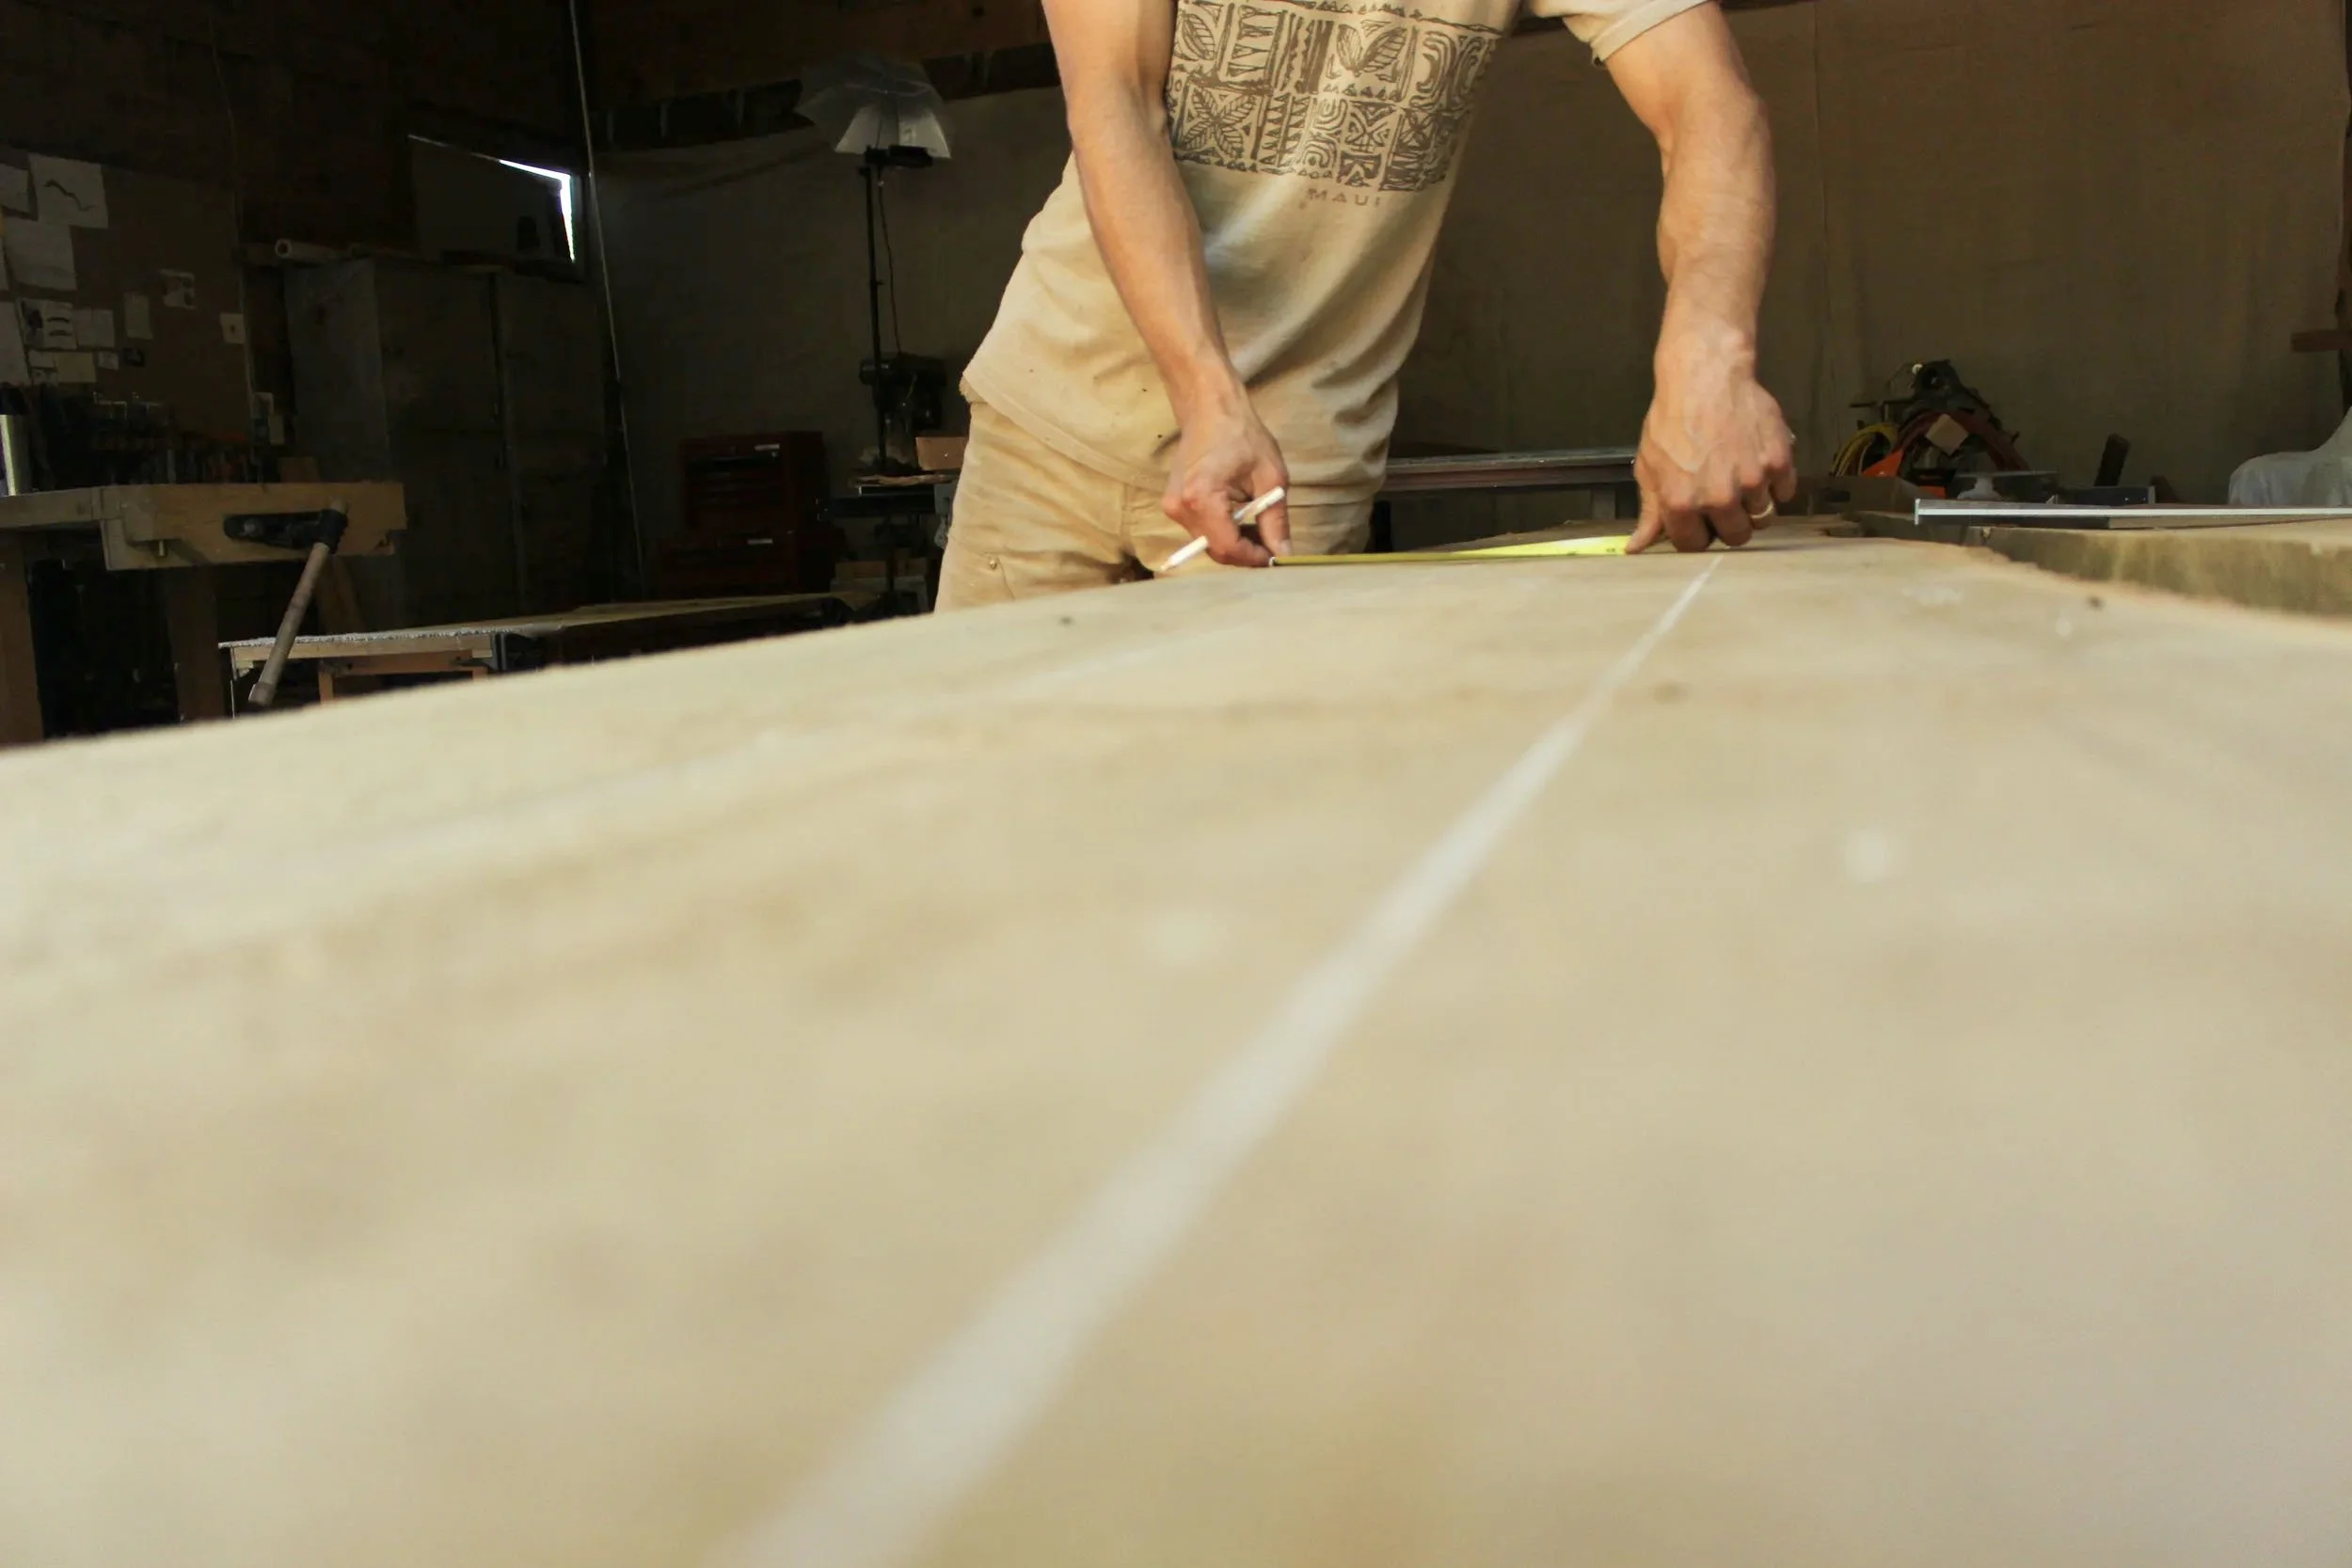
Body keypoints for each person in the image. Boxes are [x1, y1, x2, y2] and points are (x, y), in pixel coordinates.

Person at [938, 0, 1794, 610]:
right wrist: (1207, 394)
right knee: (969, 792)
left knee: (1247, 819)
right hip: (1055, 414)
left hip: (1286, 472)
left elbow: (1710, 104)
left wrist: (1709, 358)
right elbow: (1116, 105)